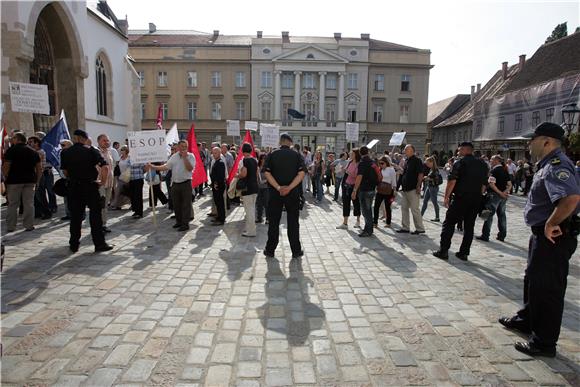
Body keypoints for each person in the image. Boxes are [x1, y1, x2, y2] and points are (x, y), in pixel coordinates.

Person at [499, 122, 579, 358]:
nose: (528, 144)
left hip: (554, 236)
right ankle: (527, 320)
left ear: (546, 142)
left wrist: (551, 223)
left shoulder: (557, 165)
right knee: (533, 280)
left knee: (547, 289)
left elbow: (571, 199)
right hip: (543, 237)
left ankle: (544, 342)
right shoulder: (547, 164)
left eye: (532, 140)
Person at [433, 142, 488, 261]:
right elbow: (484, 184)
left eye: (459, 150)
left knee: (449, 223)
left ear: (465, 150)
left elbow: (452, 181)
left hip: (461, 198)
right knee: (469, 226)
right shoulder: (482, 164)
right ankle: (464, 253)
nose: (458, 152)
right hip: (475, 199)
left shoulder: (460, 163)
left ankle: (443, 251)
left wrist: (446, 197)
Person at [60, 129, 112, 252]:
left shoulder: (66, 152)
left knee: (75, 217)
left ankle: (74, 244)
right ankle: (99, 244)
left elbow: (65, 171)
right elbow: (104, 167)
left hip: (74, 187)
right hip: (90, 186)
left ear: (75, 138)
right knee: (95, 216)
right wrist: (102, 182)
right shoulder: (91, 150)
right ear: (84, 138)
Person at [263, 134, 306, 259]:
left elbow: (267, 173)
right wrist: (290, 187)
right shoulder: (297, 155)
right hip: (292, 193)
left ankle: (270, 250)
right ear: (290, 142)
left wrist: (278, 187)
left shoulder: (272, 155)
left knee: (273, 222)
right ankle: (296, 251)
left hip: (275, 193)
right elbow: (302, 173)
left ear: (280, 142)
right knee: (293, 223)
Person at [147, 140, 195, 231]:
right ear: (178, 147)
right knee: (176, 204)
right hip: (175, 184)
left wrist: (185, 158)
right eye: (182, 146)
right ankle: (179, 222)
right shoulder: (174, 156)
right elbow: (166, 166)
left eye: (186, 146)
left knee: (186, 205)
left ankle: (185, 225)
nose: (184, 148)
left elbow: (190, 169)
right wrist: (153, 167)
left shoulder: (191, 156)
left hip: (186, 183)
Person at [3, 132, 41, 232]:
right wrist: (37, 180)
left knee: (13, 204)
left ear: (17, 139)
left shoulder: (11, 151)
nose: (12, 140)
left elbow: (6, 166)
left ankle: (11, 226)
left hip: (14, 181)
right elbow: (39, 168)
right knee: (29, 203)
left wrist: (5, 178)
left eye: (13, 138)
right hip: (30, 180)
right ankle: (29, 225)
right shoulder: (33, 151)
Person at [477, 155, 511, 242]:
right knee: (502, 215)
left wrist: (500, 193)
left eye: (491, 159)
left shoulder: (494, 170)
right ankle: (502, 235)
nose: (490, 161)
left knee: (488, 214)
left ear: (496, 160)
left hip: (493, 195)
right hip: (503, 196)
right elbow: (509, 184)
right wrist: (505, 192)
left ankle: (485, 235)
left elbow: (492, 184)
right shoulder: (504, 170)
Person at [397, 144, 425, 235]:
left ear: (412, 151)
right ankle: (405, 227)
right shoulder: (406, 160)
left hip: (413, 188)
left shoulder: (417, 160)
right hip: (405, 189)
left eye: (406, 150)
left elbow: (420, 174)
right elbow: (404, 174)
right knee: (404, 208)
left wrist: (418, 186)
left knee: (414, 209)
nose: (404, 151)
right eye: (405, 150)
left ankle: (420, 228)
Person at [352, 146, 377, 237]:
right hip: (372, 189)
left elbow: (359, 177)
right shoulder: (372, 162)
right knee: (368, 209)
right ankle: (368, 228)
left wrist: (354, 190)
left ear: (360, 153)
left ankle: (368, 230)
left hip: (365, 189)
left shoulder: (362, 163)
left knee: (366, 211)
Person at [27, 136, 52, 220]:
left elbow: (40, 167)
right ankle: (38, 212)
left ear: (36, 143)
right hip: (34, 175)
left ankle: (47, 212)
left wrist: (38, 179)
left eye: (31, 142)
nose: (29, 143)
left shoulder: (40, 152)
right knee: (36, 196)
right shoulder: (33, 152)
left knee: (41, 195)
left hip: (40, 175)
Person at [237, 143, 259, 237]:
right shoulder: (255, 160)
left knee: (248, 210)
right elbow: (257, 173)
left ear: (243, 150)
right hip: (255, 187)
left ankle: (251, 231)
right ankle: (251, 229)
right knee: (252, 208)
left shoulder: (243, 161)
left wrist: (237, 175)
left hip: (247, 187)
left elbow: (244, 174)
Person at [337, 149, 361, 229]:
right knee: (346, 203)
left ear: (356, 154)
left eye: (352, 153)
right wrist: (343, 170)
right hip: (346, 185)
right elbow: (346, 171)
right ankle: (345, 223)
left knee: (356, 203)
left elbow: (357, 176)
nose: (350, 154)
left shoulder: (359, 164)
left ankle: (358, 221)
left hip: (354, 186)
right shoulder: (350, 162)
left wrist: (347, 171)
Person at [373, 156, 397, 228]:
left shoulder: (391, 170)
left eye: (382, 163)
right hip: (380, 189)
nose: (380, 165)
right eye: (379, 163)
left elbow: (393, 180)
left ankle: (388, 222)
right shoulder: (380, 169)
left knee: (387, 207)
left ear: (386, 163)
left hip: (388, 190)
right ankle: (375, 222)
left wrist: (395, 190)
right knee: (376, 206)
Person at [97, 134, 113, 233]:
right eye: (104, 140)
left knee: (106, 205)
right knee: (100, 205)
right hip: (101, 183)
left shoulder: (109, 152)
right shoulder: (96, 152)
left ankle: (103, 223)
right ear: (98, 141)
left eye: (107, 140)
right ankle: (99, 224)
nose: (106, 142)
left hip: (109, 182)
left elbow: (112, 168)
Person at [420, 156, 442, 222]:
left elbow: (436, 179)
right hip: (429, 187)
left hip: (433, 188)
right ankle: (420, 216)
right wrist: (427, 177)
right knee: (425, 201)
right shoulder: (431, 169)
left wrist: (428, 178)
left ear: (432, 162)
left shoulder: (435, 170)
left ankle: (437, 217)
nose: (427, 164)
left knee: (434, 202)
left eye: (428, 163)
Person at [210, 146, 227, 225]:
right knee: (217, 202)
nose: (214, 154)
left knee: (220, 203)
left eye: (215, 153)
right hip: (215, 185)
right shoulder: (216, 161)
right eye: (213, 153)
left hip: (219, 186)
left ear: (220, 153)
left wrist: (216, 183)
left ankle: (221, 219)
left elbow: (220, 176)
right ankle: (219, 216)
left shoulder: (220, 162)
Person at [110, 145, 130, 210]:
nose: (121, 151)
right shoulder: (120, 157)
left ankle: (117, 204)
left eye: (123, 150)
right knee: (118, 191)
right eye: (121, 150)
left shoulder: (129, 158)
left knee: (126, 192)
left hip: (128, 177)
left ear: (126, 151)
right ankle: (116, 205)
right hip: (121, 177)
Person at [256, 153, 270, 224]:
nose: (263, 160)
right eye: (262, 158)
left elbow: (271, 178)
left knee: (266, 203)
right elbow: (256, 178)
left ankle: (268, 218)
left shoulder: (268, 168)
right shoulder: (258, 167)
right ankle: (259, 218)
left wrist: (265, 181)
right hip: (259, 188)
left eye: (264, 158)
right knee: (259, 203)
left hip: (266, 188)